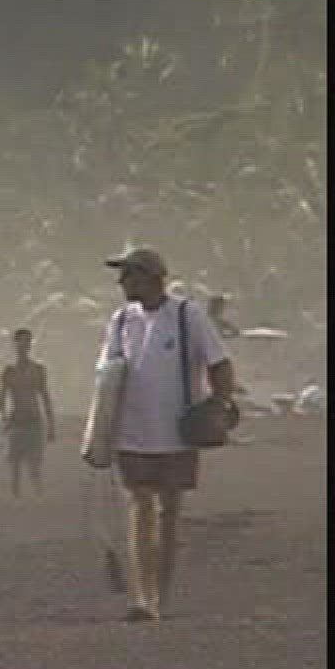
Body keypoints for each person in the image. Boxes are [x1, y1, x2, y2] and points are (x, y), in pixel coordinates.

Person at [100, 247, 237, 622]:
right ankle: (142, 597)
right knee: (139, 506)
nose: (121, 283)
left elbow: (220, 364)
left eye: (128, 275)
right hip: (131, 431)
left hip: (177, 432)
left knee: (168, 513)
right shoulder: (121, 320)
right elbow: (107, 377)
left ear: (150, 277)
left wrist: (219, 405)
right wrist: (99, 431)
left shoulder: (186, 315)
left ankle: (160, 596)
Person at [0, 328, 56, 498]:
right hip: (17, 420)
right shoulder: (9, 371)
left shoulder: (38, 370)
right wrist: (4, 419)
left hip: (33, 420)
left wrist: (51, 425)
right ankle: (16, 498)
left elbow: (45, 397)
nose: (24, 345)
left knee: (34, 463)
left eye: (27, 342)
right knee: (15, 464)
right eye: (21, 342)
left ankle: (38, 496)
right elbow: (2, 399)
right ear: (15, 344)